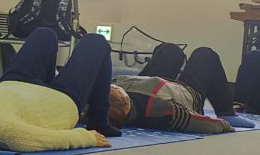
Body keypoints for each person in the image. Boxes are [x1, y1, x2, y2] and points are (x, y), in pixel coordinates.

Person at [107, 43, 252, 132]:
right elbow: (203, 123)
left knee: (169, 50)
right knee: (205, 54)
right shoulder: (158, 108)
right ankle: (227, 112)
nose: (116, 88)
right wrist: (225, 125)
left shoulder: (110, 96)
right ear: (126, 105)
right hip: (184, 93)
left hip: (150, 83)